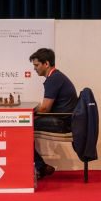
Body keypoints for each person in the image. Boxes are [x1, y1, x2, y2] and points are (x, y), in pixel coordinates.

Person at [29, 48, 78, 179]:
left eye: (36, 65)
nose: (34, 69)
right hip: (64, 119)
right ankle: (40, 166)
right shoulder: (57, 76)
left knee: (23, 127)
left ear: (46, 64)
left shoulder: (53, 79)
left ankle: (40, 166)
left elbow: (45, 109)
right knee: (26, 124)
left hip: (62, 122)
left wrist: (30, 115)